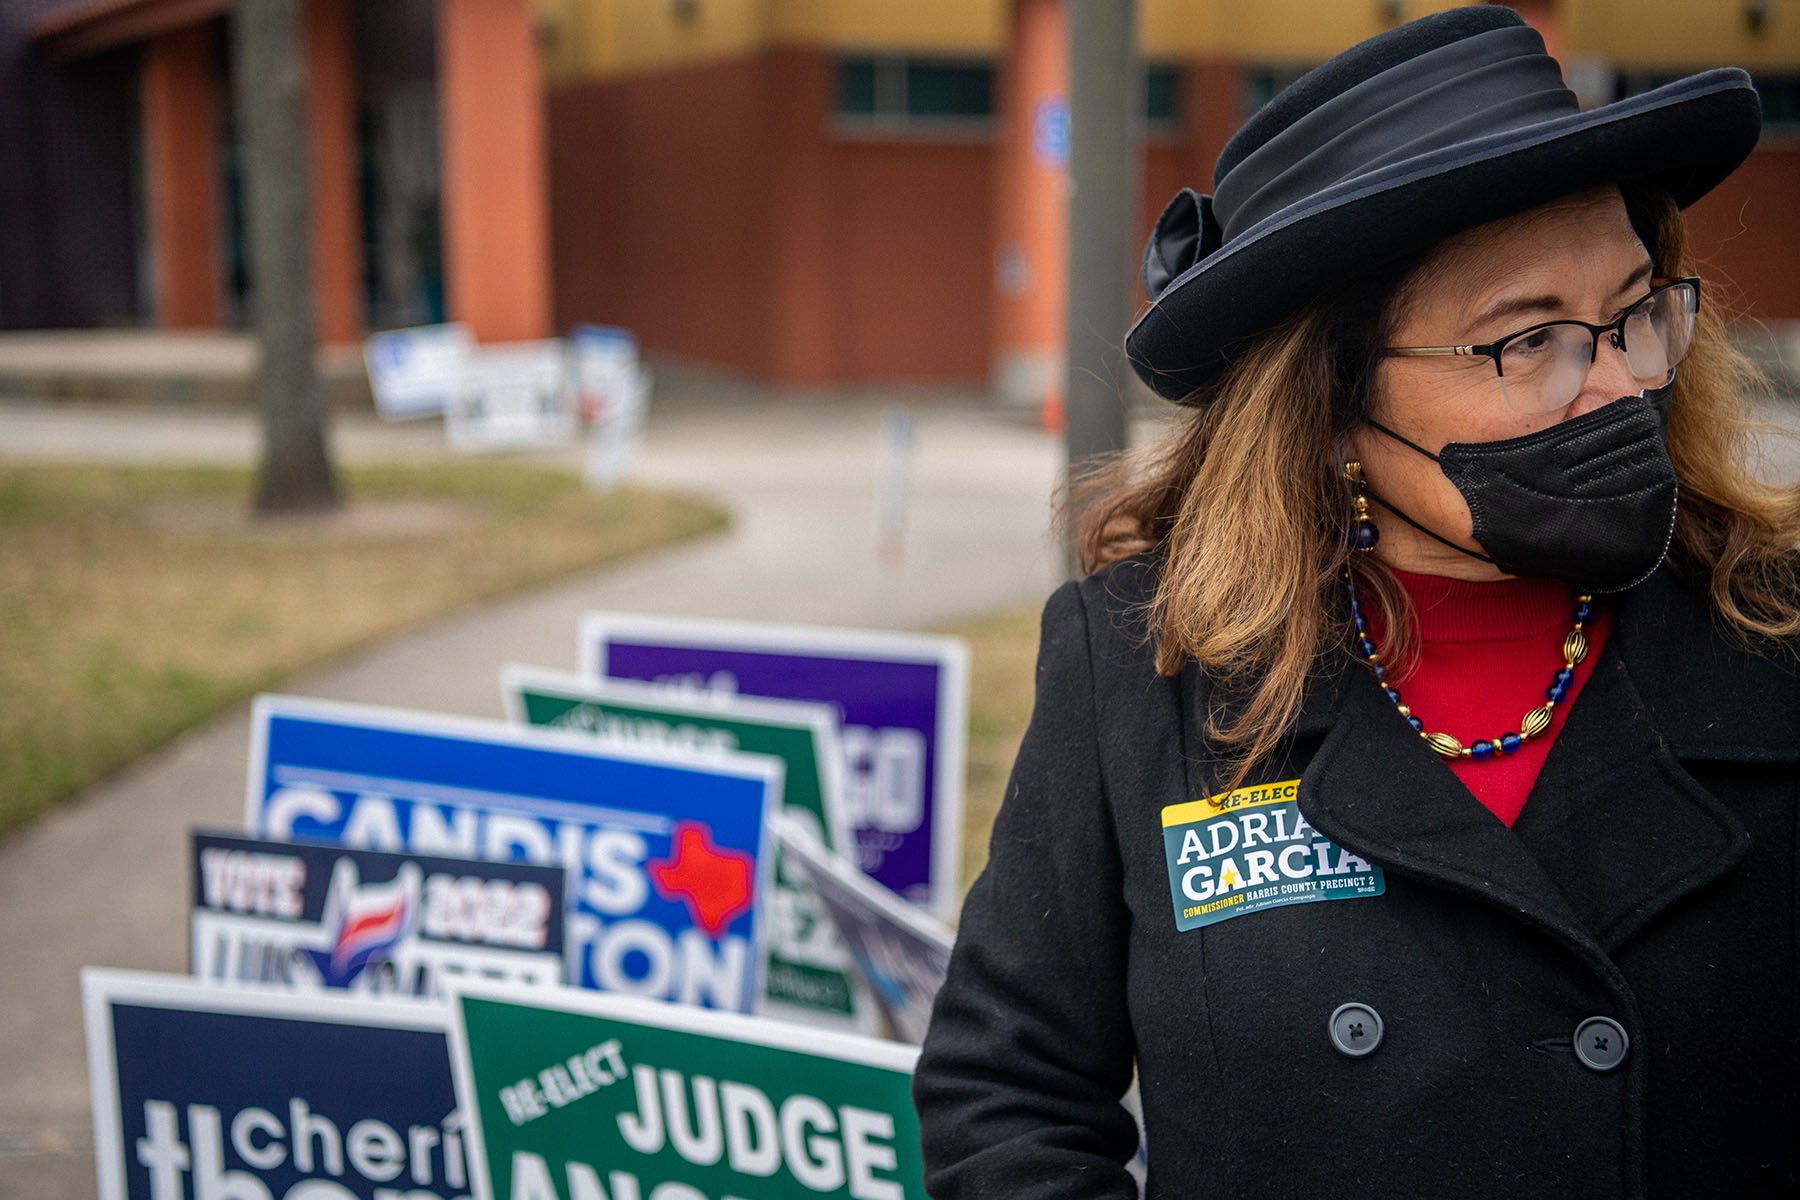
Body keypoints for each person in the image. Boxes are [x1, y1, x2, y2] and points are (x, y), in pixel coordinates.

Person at [912, 7, 1799, 1198]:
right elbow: (1005, 1096)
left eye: (1636, 314)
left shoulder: (1774, 635)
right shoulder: (1138, 667)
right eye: (1527, 339)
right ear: (1327, 404)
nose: (1615, 385)